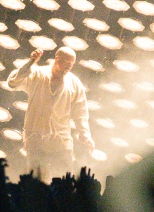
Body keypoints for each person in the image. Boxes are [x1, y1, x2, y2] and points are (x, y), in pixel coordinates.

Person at [5, 45, 94, 181]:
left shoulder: (75, 83)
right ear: (57, 59)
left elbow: (80, 113)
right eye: (67, 62)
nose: (69, 66)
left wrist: (85, 135)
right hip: (36, 140)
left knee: (64, 183)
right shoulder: (36, 74)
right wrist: (30, 62)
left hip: (61, 142)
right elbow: (12, 83)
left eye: (72, 63)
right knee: (37, 185)